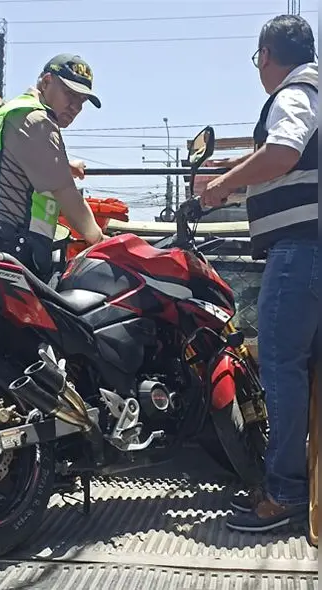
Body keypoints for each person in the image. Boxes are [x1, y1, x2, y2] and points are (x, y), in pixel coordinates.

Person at [198, 14, 318, 533]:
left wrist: (221, 184)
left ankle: (285, 493)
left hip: (300, 253)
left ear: (267, 55)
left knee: (280, 365)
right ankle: (297, 483)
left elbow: (284, 151)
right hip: (307, 252)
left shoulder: (294, 93)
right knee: (301, 371)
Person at [0, 54, 106, 281]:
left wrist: (65, 166)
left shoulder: (12, 112)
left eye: (82, 101)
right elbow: (67, 194)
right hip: (10, 255)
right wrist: (101, 240)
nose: (76, 107)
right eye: (70, 94)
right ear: (46, 82)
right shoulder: (37, 120)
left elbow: (14, 167)